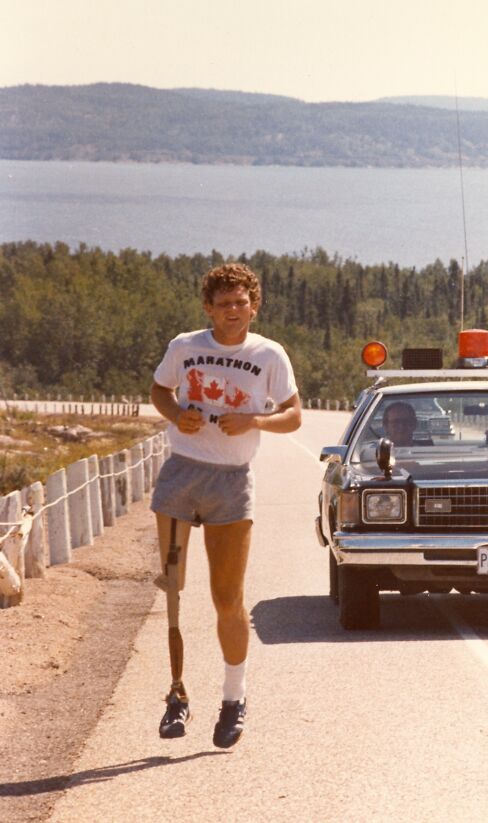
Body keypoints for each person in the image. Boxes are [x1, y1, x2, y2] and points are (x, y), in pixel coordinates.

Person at [150, 262, 301, 747]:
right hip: (181, 473)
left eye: (241, 303)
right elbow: (160, 390)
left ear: (254, 305)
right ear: (208, 308)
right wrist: (177, 414)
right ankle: (177, 694)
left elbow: (294, 414)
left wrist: (255, 421)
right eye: (223, 304)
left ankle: (233, 699)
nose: (233, 311)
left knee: (227, 597)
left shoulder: (269, 354)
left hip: (232, 482)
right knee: (173, 590)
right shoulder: (185, 346)